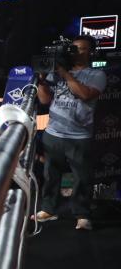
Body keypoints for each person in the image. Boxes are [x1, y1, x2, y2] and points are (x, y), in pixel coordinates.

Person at [34, 35, 106, 230]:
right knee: (51, 174)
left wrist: (65, 73)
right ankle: (48, 209)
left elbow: (85, 94)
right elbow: (44, 100)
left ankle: (82, 214)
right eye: (74, 48)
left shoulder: (97, 75)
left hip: (79, 136)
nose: (77, 52)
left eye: (82, 49)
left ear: (91, 52)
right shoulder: (57, 72)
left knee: (82, 178)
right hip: (53, 133)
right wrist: (41, 81)